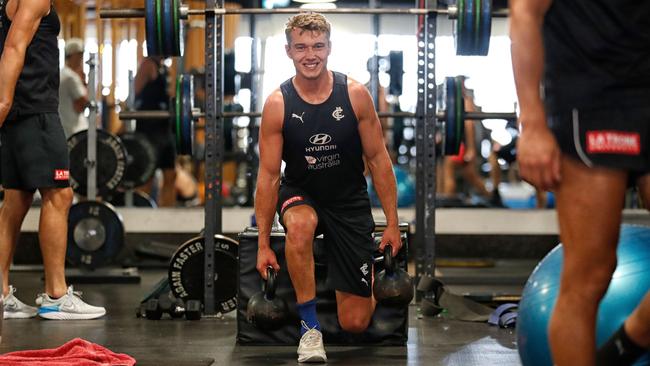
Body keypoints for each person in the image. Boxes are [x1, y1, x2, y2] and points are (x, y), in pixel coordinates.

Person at [254, 13, 401, 363]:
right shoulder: (278, 104)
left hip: (348, 199)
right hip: (301, 193)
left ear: (329, 48)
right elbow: (269, 176)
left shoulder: (354, 96)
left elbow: (379, 160)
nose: (310, 54)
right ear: (288, 51)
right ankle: (310, 331)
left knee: (355, 323)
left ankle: (369, 277)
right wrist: (262, 243)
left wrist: (393, 223)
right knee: (301, 224)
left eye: (318, 46)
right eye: (301, 47)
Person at [510, 1, 650, 365]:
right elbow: (525, 13)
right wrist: (533, 125)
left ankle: (634, 335)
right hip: (591, 104)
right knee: (590, 276)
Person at [0, 0, 105, 320]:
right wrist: (2, 103)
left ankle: (1, 292)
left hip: (20, 111)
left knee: (16, 200)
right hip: (35, 111)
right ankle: (56, 294)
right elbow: (14, 47)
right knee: (60, 194)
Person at [133, 56, 176, 207]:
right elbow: (134, 92)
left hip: (164, 127)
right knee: (147, 175)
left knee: (171, 174)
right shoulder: (147, 65)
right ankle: (143, 214)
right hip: (149, 127)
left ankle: (167, 214)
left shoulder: (164, 67)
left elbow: (171, 96)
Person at [58, 37, 88, 138]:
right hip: (76, 131)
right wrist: (84, 82)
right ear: (73, 56)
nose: (81, 59)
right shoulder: (71, 77)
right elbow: (83, 103)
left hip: (64, 129)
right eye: (80, 55)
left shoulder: (61, 73)